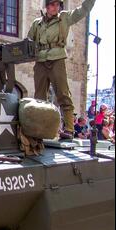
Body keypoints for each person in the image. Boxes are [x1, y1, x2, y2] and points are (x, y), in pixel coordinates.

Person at [27, 0, 96, 140]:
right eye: (52, 4)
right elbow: (28, 42)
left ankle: (69, 129)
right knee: (39, 98)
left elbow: (83, 10)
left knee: (63, 94)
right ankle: (40, 130)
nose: (55, 7)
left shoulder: (64, 17)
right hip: (40, 61)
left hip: (57, 59)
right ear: (46, 6)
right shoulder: (37, 23)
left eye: (58, 5)